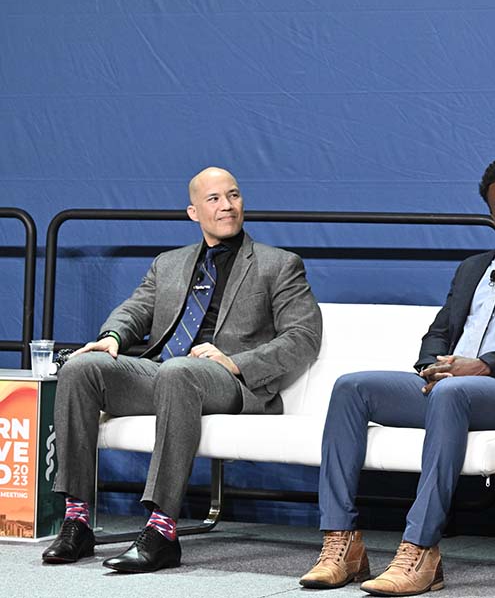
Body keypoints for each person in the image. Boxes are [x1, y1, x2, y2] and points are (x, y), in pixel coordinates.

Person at [300, 154, 495, 596]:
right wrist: (433, 364)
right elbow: (440, 330)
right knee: (352, 388)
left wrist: (485, 364)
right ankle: (341, 541)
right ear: (491, 214)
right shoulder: (472, 268)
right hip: (452, 385)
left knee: (452, 394)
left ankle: (421, 548)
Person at [41, 167, 323, 573]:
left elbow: (304, 336)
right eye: (214, 199)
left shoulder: (278, 264)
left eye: (234, 195)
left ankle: (161, 530)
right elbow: (136, 308)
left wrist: (237, 362)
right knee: (82, 367)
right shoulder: (169, 264)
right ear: (193, 212)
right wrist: (114, 336)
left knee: (177, 371)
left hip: (229, 382)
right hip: (168, 373)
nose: (227, 205)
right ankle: (77, 520)